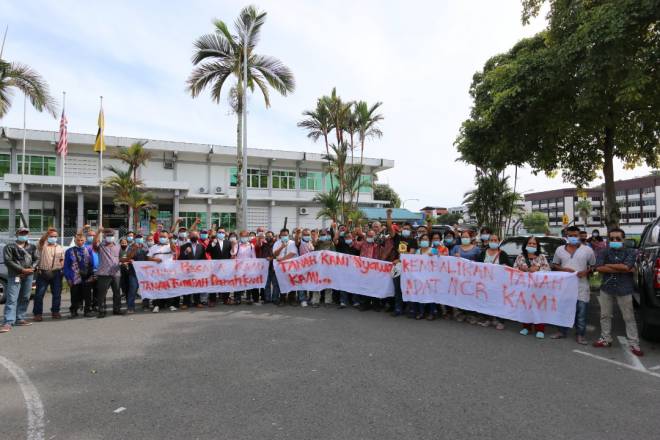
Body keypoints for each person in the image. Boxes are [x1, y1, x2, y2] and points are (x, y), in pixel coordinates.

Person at [593, 228, 643, 357]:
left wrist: (608, 266)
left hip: (624, 288)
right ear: (608, 239)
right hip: (606, 288)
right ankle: (605, 338)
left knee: (629, 317)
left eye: (618, 238)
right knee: (605, 315)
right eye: (612, 238)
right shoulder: (603, 251)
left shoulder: (631, 251)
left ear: (623, 239)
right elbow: (598, 267)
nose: (614, 241)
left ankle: (633, 343)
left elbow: (627, 266)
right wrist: (622, 268)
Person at [550, 225, 596, 344]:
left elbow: (593, 266)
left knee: (581, 312)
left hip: (582, 286)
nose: (573, 237)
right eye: (570, 236)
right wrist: (563, 269)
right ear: (566, 236)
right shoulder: (560, 249)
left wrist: (585, 272)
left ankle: (580, 335)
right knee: (563, 309)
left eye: (575, 235)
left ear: (580, 235)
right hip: (565, 287)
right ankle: (561, 331)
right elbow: (554, 265)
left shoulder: (588, 250)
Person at [1, 228, 37, 333]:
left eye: (25, 233)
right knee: (12, 298)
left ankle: (20, 318)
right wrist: (22, 269)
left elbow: (37, 259)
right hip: (15, 275)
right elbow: (8, 261)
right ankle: (8, 321)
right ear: (17, 234)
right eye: (21, 233)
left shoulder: (32, 247)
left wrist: (32, 268)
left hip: (29, 275)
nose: (24, 235)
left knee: (25, 297)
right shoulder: (9, 247)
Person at [514, 236, 551, 338]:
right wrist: (520, 269)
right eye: (530, 243)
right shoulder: (520, 257)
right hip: (524, 288)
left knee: (539, 307)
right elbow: (513, 271)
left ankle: (540, 329)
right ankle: (526, 327)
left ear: (537, 246)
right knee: (526, 307)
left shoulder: (542, 257)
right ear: (526, 245)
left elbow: (548, 271)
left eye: (534, 244)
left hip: (539, 289)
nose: (532, 245)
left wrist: (538, 268)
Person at [476, 234, 511, 330]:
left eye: (495, 240)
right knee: (486, 300)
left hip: (498, 284)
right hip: (485, 283)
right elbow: (476, 266)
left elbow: (510, 268)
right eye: (491, 240)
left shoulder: (503, 254)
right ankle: (487, 319)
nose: (493, 242)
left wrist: (505, 266)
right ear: (488, 241)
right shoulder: (483, 253)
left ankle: (500, 321)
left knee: (498, 301)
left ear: (499, 241)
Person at [32, 228, 65, 321]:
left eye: (55, 236)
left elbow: (62, 259)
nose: (53, 238)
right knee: (39, 294)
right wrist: (47, 233)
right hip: (43, 272)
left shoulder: (59, 247)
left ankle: (55, 311)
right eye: (51, 236)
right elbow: (42, 240)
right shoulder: (42, 245)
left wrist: (61, 267)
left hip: (56, 273)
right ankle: (37, 314)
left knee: (57, 294)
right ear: (48, 237)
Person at [451, 230, 481, 323]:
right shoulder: (456, 247)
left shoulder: (476, 249)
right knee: (460, 294)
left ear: (471, 238)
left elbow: (481, 262)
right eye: (463, 237)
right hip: (458, 276)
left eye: (466, 237)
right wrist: (454, 257)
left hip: (472, 276)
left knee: (470, 294)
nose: (464, 238)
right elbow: (449, 260)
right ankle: (460, 313)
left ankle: (471, 314)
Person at [93, 227, 123, 318]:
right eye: (108, 235)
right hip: (103, 274)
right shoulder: (101, 246)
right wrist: (99, 232)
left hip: (116, 273)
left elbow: (121, 258)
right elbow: (94, 243)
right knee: (102, 293)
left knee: (117, 292)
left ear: (114, 236)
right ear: (105, 236)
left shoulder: (118, 246)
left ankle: (117, 309)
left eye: (111, 235)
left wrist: (124, 262)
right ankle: (101, 311)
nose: (110, 237)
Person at [63, 234, 95, 318]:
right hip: (74, 276)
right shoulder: (69, 251)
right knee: (74, 295)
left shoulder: (88, 250)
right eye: (78, 240)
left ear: (84, 241)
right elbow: (66, 266)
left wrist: (92, 275)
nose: (80, 242)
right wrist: (68, 278)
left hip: (87, 276)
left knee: (87, 295)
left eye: (82, 240)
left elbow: (92, 264)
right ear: (75, 241)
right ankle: (74, 311)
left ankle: (87, 310)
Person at [148, 231, 178, 313]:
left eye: (164, 237)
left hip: (168, 271)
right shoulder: (154, 247)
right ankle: (156, 305)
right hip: (157, 272)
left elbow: (174, 250)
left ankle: (170, 305)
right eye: (161, 236)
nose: (162, 238)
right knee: (157, 288)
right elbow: (148, 257)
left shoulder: (170, 246)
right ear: (158, 237)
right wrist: (155, 259)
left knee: (169, 288)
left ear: (168, 237)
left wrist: (171, 240)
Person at [180, 230, 208, 309]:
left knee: (197, 286)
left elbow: (204, 259)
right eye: (192, 235)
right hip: (187, 270)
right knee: (187, 287)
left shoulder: (201, 247)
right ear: (189, 236)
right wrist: (185, 252)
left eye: (196, 235)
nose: (194, 237)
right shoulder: (184, 246)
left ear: (198, 237)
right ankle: (186, 302)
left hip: (197, 270)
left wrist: (203, 268)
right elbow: (180, 259)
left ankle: (197, 302)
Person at [206, 227, 232, 306]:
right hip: (215, 266)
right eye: (220, 232)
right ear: (217, 233)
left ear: (225, 234)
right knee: (213, 282)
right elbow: (207, 251)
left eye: (223, 232)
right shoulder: (213, 241)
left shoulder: (228, 242)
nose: (221, 234)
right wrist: (212, 244)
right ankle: (212, 300)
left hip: (225, 266)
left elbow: (231, 253)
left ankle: (226, 299)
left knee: (225, 282)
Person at [272, 228, 299, 306]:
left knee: (292, 283)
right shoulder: (277, 243)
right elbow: (275, 254)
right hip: (280, 268)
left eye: (286, 235)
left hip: (291, 267)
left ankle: (292, 299)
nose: (284, 236)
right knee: (282, 283)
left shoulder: (292, 243)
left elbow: (293, 253)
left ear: (288, 235)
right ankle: (282, 299)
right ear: (280, 236)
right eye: (283, 235)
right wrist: (281, 247)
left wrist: (282, 259)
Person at [414, 233, 438, 320]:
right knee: (420, 294)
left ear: (429, 241)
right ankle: (421, 312)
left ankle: (432, 312)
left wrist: (434, 256)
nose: (424, 241)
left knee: (431, 295)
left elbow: (440, 261)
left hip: (431, 277)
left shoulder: (433, 250)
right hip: (420, 277)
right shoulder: (418, 251)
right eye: (423, 239)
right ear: (420, 241)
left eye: (426, 239)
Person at [125, 233, 150, 314]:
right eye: (137, 238)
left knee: (145, 289)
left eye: (140, 237)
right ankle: (130, 307)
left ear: (143, 239)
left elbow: (149, 257)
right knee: (133, 289)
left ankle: (146, 305)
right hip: (133, 272)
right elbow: (128, 257)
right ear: (135, 239)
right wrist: (134, 249)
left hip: (144, 272)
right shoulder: (130, 247)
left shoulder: (146, 247)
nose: (139, 239)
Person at [231, 230, 257, 305]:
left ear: (248, 237)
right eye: (242, 236)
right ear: (240, 237)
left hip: (249, 268)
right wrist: (233, 245)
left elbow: (254, 257)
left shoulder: (251, 246)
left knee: (248, 283)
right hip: (239, 268)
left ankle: (248, 298)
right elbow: (233, 253)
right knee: (238, 283)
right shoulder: (237, 245)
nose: (244, 238)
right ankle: (237, 298)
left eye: (245, 236)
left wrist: (254, 266)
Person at [312, 226, 336, 307]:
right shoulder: (317, 242)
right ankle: (315, 301)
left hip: (328, 267)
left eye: (324, 234)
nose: (323, 235)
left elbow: (334, 254)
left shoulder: (331, 243)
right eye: (321, 234)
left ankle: (328, 301)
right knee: (317, 283)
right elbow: (314, 246)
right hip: (318, 267)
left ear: (327, 234)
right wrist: (315, 236)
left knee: (328, 284)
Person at [335, 229, 360, 308]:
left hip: (354, 268)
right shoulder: (342, 244)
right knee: (343, 285)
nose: (347, 238)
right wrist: (338, 231)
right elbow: (335, 240)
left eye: (349, 237)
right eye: (346, 237)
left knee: (354, 285)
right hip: (343, 268)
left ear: (352, 237)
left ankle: (355, 301)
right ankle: (343, 301)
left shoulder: (356, 245)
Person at [255, 230, 276, 304]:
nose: (268, 237)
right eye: (267, 236)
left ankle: (275, 299)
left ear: (273, 237)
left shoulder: (276, 244)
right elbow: (258, 245)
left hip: (274, 267)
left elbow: (277, 255)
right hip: (265, 268)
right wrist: (259, 237)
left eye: (270, 236)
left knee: (275, 284)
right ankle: (267, 299)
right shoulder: (263, 245)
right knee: (266, 284)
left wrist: (272, 258)